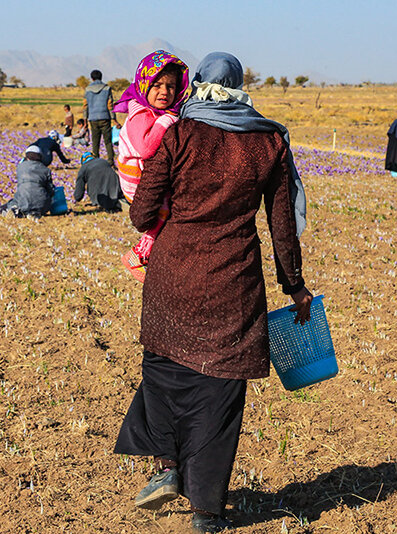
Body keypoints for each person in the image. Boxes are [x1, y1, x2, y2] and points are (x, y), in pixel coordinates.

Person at [113, 52, 312, 533]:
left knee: (164, 373)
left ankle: (167, 467)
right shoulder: (268, 142)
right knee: (219, 394)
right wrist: (296, 286)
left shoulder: (179, 134)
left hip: (173, 280)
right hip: (234, 284)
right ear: (241, 87)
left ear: (196, 84)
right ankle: (206, 511)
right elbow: (283, 223)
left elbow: (142, 215)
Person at [114, 50, 189, 283]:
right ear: (145, 84)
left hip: (142, 174)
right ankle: (138, 254)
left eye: (170, 86)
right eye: (157, 85)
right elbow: (146, 148)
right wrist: (169, 119)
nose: (165, 92)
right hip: (134, 178)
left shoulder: (152, 111)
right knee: (163, 208)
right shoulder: (140, 114)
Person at [0, 146, 56, 218]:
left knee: (5, 207)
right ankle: (34, 213)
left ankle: (15, 212)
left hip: (23, 202)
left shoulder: (20, 167)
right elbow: (51, 190)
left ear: (27, 156)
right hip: (43, 205)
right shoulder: (46, 170)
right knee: (35, 204)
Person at [83, 69, 121, 165]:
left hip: (93, 118)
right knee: (107, 141)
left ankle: (95, 162)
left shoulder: (87, 90)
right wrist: (114, 119)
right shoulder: (107, 88)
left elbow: (85, 106)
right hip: (105, 117)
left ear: (92, 78)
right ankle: (110, 161)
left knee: (95, 141)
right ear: (101, 77)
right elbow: (110, 105)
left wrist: (85, 121)